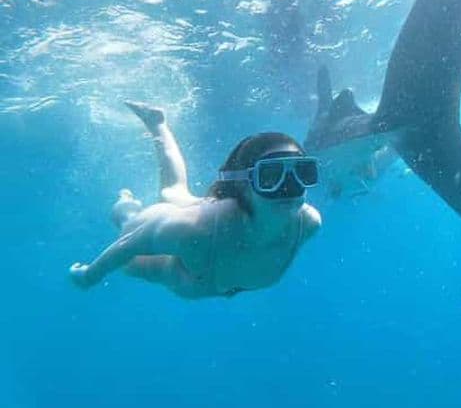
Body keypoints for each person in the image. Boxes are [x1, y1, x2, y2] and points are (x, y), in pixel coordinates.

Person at [69, 101, 322, 299]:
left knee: (174, 191)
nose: (289, 188)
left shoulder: (308, 224)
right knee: (131, 236)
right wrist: (89, 275)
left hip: (217, 244)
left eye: (302, 173)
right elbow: (131, 243)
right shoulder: (194, 230)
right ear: (243, 185)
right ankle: (126, 207)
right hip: (190, 275)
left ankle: (157, 122)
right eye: (271, 177)